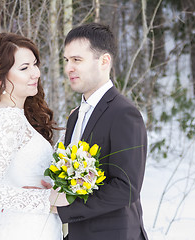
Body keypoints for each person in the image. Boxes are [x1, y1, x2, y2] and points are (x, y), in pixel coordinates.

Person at [50, 23, 149, 240]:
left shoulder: (124, 113)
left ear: (104, 61)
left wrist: (65, 208)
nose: (68, 68)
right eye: (66, 60)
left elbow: (127, 188)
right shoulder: (76, 116)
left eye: (77, 60)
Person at [0, 32, 68, 240]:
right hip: (28, 229)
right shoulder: (7, 119)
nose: (36, 73)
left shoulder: (17, 115)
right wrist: (48, 200)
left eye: (35, 64)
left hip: (38, 225)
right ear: (0, 78)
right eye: (24, 68)